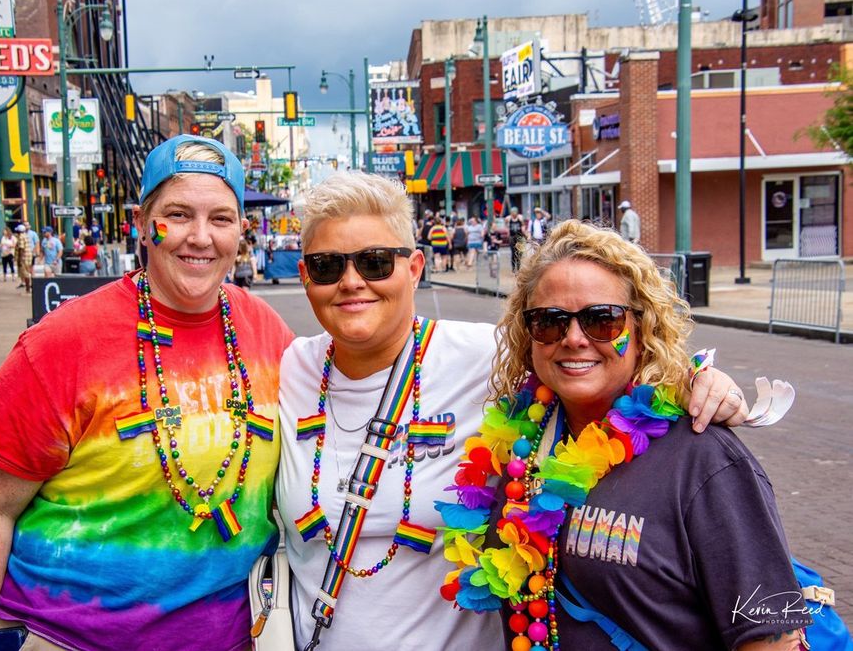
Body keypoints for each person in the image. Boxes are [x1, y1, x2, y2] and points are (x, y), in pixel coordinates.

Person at [275, 172, 748, 651]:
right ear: (305, 276)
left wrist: (697, 381)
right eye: (327, 265)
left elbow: (592, 351)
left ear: (415, 268)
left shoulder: (486, 355)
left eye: (375, 262)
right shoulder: (290, 366)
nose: (352, 282)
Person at [0, 135, 294, 651]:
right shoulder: (62, 343)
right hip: (69, 638)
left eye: (220, 218)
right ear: (142, 222)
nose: (200, 237)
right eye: (177, 214)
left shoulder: (265, 331)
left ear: (242, 230)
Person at [443, 220, 808, 650]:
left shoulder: (703, 456)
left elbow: (773, 639)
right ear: (528, 335)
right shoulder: (519, 444)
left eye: (602, 320)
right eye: (550, 321)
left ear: (641, 327)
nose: (574, 338)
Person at [13, 224, 33, 293]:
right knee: (28, 271)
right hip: (28, 256)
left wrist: (20, 259)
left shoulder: (21, 237)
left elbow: (21, 248)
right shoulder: (26, 235)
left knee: (25, 273)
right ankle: (28, 287)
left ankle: (28, 288)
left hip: (23, 257)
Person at [507, 206, 527, 272]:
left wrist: (525, 235)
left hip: (519, 237)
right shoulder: (509, 218)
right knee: (513, 253)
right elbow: (506, 224)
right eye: (513, 212)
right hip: (512, 238)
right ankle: (513, 268)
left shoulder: (520, 218)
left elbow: (523, 227)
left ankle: (518, 267)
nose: (514, 214)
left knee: (519, 253)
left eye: (515, 212)